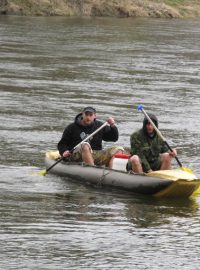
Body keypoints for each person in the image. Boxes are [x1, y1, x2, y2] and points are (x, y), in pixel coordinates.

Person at [57, 106, 124, 168]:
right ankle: (93, 171)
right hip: (76, 154)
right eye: (86, 115)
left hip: (95, 154)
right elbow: (62, 144)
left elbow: (114, 138)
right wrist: (64, 151)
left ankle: (111, 172)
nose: (88, 117)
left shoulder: (100, 126)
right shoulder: (72, 127)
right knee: (85, 145)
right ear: (82, 115)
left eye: (90, 115)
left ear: (94, 116)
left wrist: (112, 125)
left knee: (119, 149)